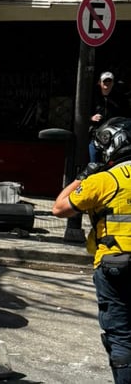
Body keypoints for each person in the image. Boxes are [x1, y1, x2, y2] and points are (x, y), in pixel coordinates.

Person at [52, 117, 131, 383]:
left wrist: (83, 177)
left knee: (121, 339)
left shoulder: (105, 180)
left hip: (115, 265)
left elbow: (59, 207)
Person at [89, 71, 131, 163]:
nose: (107, 84)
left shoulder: (120, 99)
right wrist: (91, 118)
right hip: (97, 134)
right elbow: (84, 113)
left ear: (113, 83)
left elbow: (126, 116)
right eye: (104, 81)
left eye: (109, 81)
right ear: (100, 82)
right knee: (94, 161)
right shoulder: (93, 98)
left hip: (114, 135)